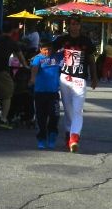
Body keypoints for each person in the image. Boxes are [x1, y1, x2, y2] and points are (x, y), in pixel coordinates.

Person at [53, 16, 97, 153]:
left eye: (77, 24)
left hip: (80, 80)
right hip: (65, 78)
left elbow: (91, 60)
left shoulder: (86, 41)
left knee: (77, 110)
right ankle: (68, 133)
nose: (74, 26)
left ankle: (74, 138)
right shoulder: (62, 39)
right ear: (68, 25)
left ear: (80, 26)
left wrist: (94, 77)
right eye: (72, 24)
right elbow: (49, 51)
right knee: (68, 110)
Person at [29, 36, 63, 149]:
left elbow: (65, 49)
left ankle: (52, 135)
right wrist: (33, 78)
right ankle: (42, 139)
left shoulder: (57, 57)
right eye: (45, 49)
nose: (47, 51)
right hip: (40, 93)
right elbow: (34, 68)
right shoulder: (38, 58)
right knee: (41, 117)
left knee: (55, 115)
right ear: (40, 49)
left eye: (49, 49)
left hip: (53, 93)